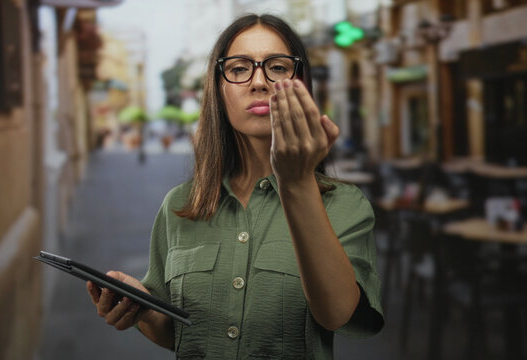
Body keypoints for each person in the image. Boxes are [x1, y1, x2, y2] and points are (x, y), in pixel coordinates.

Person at [86, 13, 383, 359]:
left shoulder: (345, 205)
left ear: (301, 83)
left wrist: (297, 182)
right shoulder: (180, 204)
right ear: (218, 88)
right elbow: (177, 333)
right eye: (240, 68)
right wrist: (143, 309)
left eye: (278, 67)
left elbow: (337, 314)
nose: (259, 82)